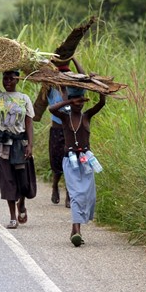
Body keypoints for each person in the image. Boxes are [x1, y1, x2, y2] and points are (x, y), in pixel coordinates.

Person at [49, 87, 106, 246]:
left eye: (81, 100)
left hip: (86, 161)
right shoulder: (65, 118)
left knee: (88, 195)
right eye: (75, 101)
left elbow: (101, 103)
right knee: (76, 195)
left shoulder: (87, 116)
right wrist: (68, 101)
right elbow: (51, 108)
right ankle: (77, 231)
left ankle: (74, 231)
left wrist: (100, 89)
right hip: (70, 161)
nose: (78, 104)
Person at [0, 69, 37, 229]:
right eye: (5, 78)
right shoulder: (0, 97)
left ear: (17, 80)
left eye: (11, 79)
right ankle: (13, 217)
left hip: (19, 144)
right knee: (8, 179)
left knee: (22, 179)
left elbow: (28, 123)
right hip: (3, 144)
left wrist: (30, 144)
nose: (7, 81)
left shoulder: (24, 98)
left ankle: (22, 204)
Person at [33, 57, 85, 208]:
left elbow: (83, 76)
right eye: (61, 74)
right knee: (56, 162)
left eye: (66, 74)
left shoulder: (74, 86)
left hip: (72, 130)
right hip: (57, 128)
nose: (63, 77)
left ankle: (69, 194)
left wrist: (74, 58)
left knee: (72, 162)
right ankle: (55, 185)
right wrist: (48, 63)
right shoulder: (49, 86)